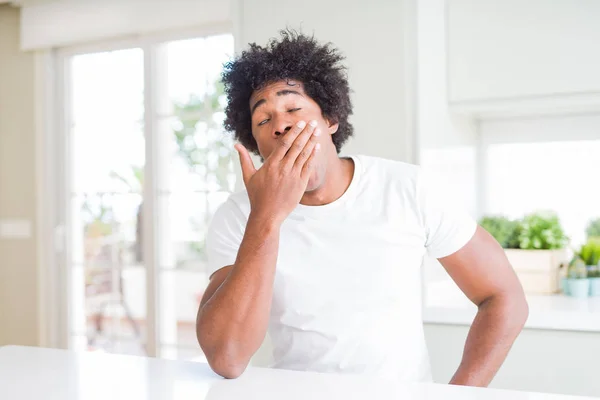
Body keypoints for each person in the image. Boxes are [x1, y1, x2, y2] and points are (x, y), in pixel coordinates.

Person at [195, 29, 528, 385]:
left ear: (330, 120)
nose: (282, 125)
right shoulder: (237, 216)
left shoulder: (409, 189)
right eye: (264, 120)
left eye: (293, 107)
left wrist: (457, 396)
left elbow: (503, 298)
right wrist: (266, 217)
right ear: (257, 145)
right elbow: (226, 358)